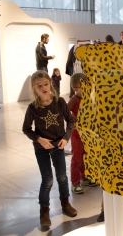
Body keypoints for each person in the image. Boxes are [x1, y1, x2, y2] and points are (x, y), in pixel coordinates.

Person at [22, 71, 77, 227]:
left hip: (58, 145)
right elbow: (26, 128)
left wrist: (66, 138)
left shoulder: (59, 102)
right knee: (47, 180)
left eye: (45, 84)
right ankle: (44, 211)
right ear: (34, 88)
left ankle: (65, 204)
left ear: (50, 84)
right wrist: (39, 139)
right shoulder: (33, 108)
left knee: (62, 177)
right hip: (41, 148)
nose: (43, 88)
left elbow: (70, 122)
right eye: (39, 86)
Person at [67, 73, 96, 194]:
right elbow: (65, 113)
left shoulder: (88, 97)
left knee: (87, 156)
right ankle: (75, 182)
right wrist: (74, 120)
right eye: (80, 87)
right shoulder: (74, 99)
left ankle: (85, 177)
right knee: (77, 158)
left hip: (88, 132)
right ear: (74, 88)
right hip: (77, 133)